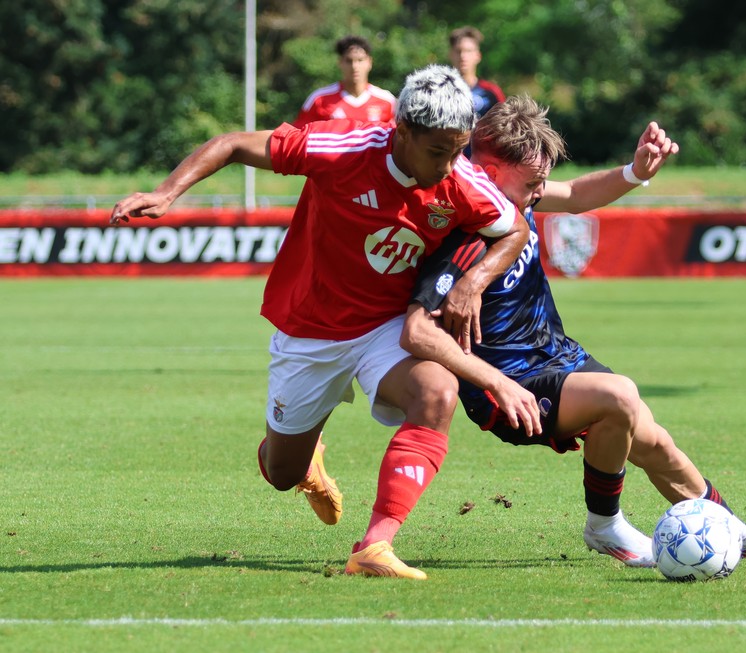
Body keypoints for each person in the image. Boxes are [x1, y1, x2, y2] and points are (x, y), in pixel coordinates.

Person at [109, 65, 541, 581]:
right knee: (280, 472)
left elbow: (512, 229)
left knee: (436, 393)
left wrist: (473, 284)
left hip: (384, 328)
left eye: (457, 150)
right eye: (437, 152)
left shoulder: (461, 181)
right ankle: (305, 458)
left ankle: (375, 545)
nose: (450, 166)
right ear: (401, 131)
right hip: (309, 331)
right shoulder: (341, 147)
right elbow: (230, 144)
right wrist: (167, 193)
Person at [402, 95, 746, 567]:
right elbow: (415, 330)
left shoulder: (513, 197)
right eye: (532, 183)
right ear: (490, 176)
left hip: (555, 355)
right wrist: (494, 382)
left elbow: (575, 196)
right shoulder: (461, 232)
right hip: (509, 383)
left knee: (654, 441)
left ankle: (727, 527)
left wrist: (635, 172)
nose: (539, 192)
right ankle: (604, 525)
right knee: (619, 397)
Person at [293, 35, 397, 127]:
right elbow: (299, 137)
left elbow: (401, 140)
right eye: (349, 61)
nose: (354, 66)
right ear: (340, 62)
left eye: (360, 60)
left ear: (369, 62)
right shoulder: (319, 99)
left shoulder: (387, 101)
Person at [448, 26, 505, 158]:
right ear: (451, 54)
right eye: (458, 51)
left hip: (482, 166)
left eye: (468, 51)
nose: (463, 56)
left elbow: (506, 131)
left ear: (477, 56)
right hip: (449, 165)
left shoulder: (490, 93)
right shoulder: (440, 93)